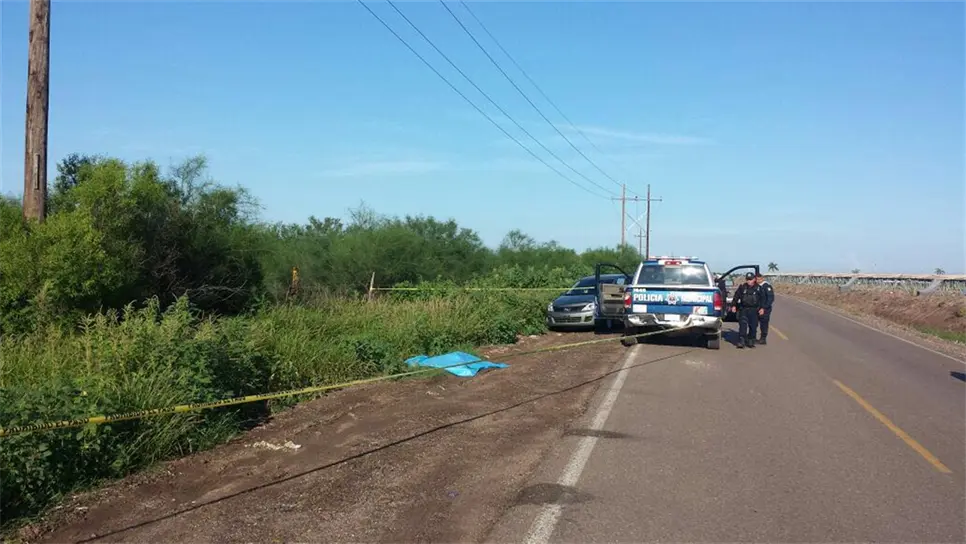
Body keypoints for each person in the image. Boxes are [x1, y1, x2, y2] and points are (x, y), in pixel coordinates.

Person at [730, 272, 764, 348]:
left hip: (754, 311)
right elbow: (736, 297)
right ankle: (741, 341)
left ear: (754, 279)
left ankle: (751, 341)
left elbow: (762, 299)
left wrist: (762, 308)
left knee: (753, 326)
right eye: (747, 279)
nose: (749, 281)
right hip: (744, 309)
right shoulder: (742, 287)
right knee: (743, 326)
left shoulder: (759, 288)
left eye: (750, 279)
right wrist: (733, 306)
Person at [756, 272, 775, 344]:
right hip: (757, 308)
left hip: (765, 309)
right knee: (754, 323)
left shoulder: (766, 286)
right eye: (756, 279)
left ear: (762, 279)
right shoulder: (757, 286)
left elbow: (770, 299)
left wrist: (763, 308)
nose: (757, 280)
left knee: (764, 324)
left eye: (759, 279)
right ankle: (752, 337)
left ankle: (763, 338)